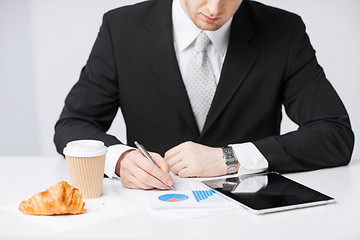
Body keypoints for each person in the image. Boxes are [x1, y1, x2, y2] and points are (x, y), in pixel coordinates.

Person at [54, 0, 354, 190]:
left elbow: (335, 135)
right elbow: (72, 126)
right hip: (149, 216)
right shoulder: (121, 29)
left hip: (253, 219)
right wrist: (120, 159)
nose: (213, 9)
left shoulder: (283, 31)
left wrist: (231, 158)